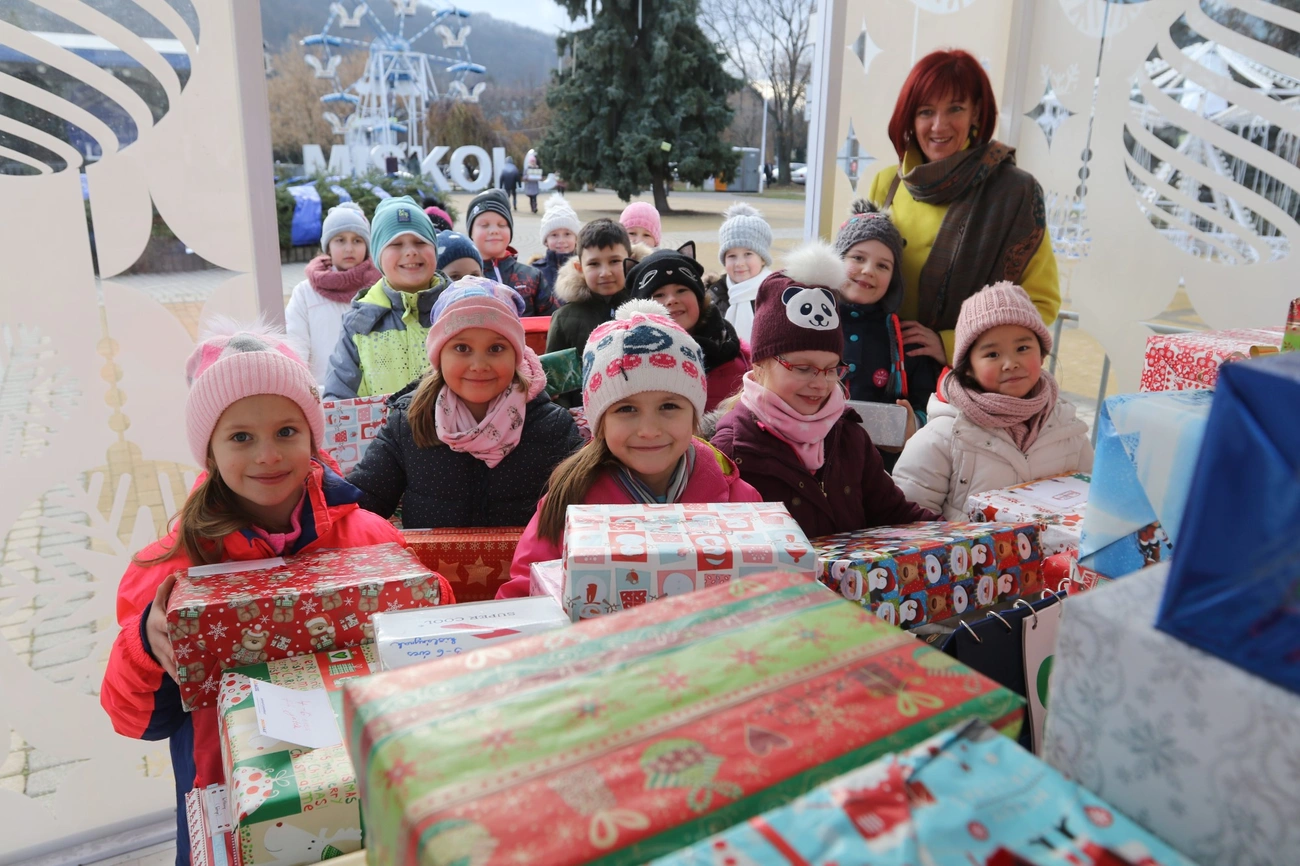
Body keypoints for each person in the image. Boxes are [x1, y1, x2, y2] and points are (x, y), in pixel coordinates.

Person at [100, 322, 432, 866]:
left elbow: (423, 636)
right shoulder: (171, 568)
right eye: (240, 437)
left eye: (286, 431)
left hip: (355, 789)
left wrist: (423, 599)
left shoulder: (367, 536)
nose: (267, 456)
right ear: (208, 450)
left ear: (312, 436)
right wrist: (145, 644)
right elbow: (134, 716)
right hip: (227, 795)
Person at [497, 300, 761, 597]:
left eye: (669, 406)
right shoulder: (569, 499)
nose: (649, 430)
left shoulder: (740, 502)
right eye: (626, 409)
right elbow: (526, 591)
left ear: (695, 414)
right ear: (600, 421)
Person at [711, 242, 938, 539]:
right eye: (803, 368)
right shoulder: (734, 451)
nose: (820, 383)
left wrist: (961, 536)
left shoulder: (848, 434)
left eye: (831, 369)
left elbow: (895, 513)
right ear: (762, 363)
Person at [868, 48, 1060, 368]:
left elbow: (1040, 302)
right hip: (881, 368)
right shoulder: (888, 184)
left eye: (955, 108)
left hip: (967, 381)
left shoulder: (1014, 191)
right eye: (926, 111)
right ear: (910, 118)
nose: (939, 126)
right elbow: (853, 273)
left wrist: (952, 342)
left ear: (976, 113)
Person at [347, 278, 584, 528]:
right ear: (439, 355)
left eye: (496, 348)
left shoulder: (552, 427)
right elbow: (364, 502)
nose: (479, 365)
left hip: (522, 567)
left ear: (516, 354)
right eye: (462, 348)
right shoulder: (409, 422)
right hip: (429, 566)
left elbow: (585, 506)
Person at [892, 282, 1093, 519]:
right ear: (967, 368)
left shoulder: (1068, 428)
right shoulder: (944, 436)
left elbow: (1091, 502)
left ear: (1042, 354)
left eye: (1023, 347)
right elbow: (908, 522)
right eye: (992, 354)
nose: (1011, 363)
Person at [835, 200, 940, 463]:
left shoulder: (904, 339)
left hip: (880, 469)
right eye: (858, 258)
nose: (868, 270)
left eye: (883, 266)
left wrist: (911, 426)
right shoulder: (813, 322)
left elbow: (927, 403)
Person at [324, 197, 451, 399]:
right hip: (381, 431)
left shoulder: (458, 308)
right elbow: (338, 398)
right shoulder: (361, 322)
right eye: (396, 243)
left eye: (420, 241)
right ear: (377, 257)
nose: (410, 252)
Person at [628, 243, 751, 412]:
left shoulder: (741, 360)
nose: (671, 300)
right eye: (659, 294)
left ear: (700, 299)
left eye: (681, 290)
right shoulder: (629, 364)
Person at [285, 202, 382, 385]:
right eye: (340, 240)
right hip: (322, 395)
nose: (349, 248)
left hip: (374, 396)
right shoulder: (305, 293)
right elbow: (296, 346)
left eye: (357, 240)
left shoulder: (381, 288)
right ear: (328, 246)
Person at [546, 218, 642, 355]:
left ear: (631, 261)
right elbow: (555, 372)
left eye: (614, 261)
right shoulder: (564, 318)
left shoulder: (646, 305)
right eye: (594, 264)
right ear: (579, 268)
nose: (605, 273)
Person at [465, 188, 554, 315]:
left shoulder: (532, 276)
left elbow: (551, 321)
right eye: (484, 225)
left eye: (502, 225)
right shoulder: (463, 279)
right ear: (471, 233)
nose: (494, 230)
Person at [704, 203, 774, 343]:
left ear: (762, 259)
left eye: (748, 254)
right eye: (732, 256)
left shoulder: (776, 294)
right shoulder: (713, 295)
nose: (739, 263)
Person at [532, 192, 582, 291]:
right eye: (554, 235)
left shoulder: (585, 268)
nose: (561, 241)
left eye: (567, 234)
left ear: (576, 238)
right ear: (546, 240)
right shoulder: (535, 272)